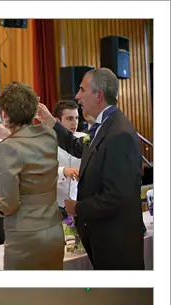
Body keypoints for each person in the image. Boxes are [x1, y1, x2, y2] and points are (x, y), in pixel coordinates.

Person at [36, 68, 144, 269]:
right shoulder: (104, 125)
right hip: (107, 239)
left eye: (82, 90)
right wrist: (51, 122)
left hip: (117, 243)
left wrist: (78, 208)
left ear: (98, 95)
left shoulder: (119, 134)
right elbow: (78, 147)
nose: (77, 96)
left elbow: (118, 196)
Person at [0, 83, 64, 270]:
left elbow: (9, 204)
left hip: (25, 236)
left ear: (5, 115)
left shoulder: (8, 148)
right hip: (54, 230)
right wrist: (9, 136)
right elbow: (29, 147)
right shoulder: (49, 135)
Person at [53, 100, 83, 214]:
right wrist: (63, 171)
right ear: (57, 121)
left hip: (78, 206)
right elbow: (41, 172)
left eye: (77, 118)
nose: (74, 123)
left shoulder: (84, 140)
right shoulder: (46, 143)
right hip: (54, 207)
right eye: (69, 119)